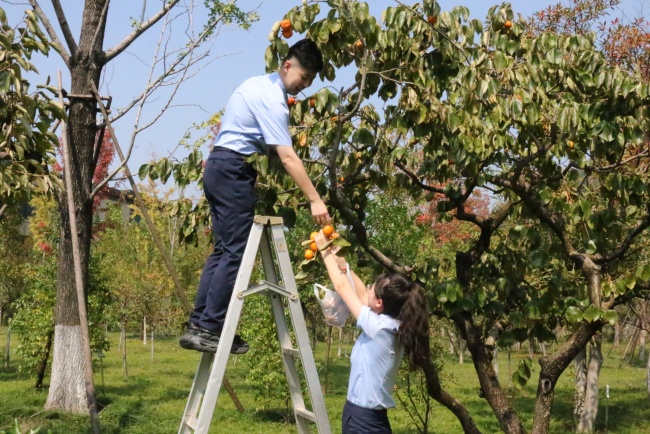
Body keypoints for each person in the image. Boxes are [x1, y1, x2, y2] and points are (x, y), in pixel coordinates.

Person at [180, 39, 331, 354]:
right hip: (233, 171)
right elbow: (287, 157)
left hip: (218, 166)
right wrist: (315, 199)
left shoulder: (255, 84)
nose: (304, 86)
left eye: (309, 82)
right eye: (303, 78)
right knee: (234, 253)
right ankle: (210, 327)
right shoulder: (273, 100)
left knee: (224, 251)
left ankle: (200, 325)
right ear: (287, 65)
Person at [314, 230, 430, 434]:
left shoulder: (379, 328)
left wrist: (323, 249)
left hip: (363, 421)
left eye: (372, 288)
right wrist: (341, 261)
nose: (367, 288)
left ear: (379, 303)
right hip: (365, 417)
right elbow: (360, 294)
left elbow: (342, 287)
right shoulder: (390, 324)